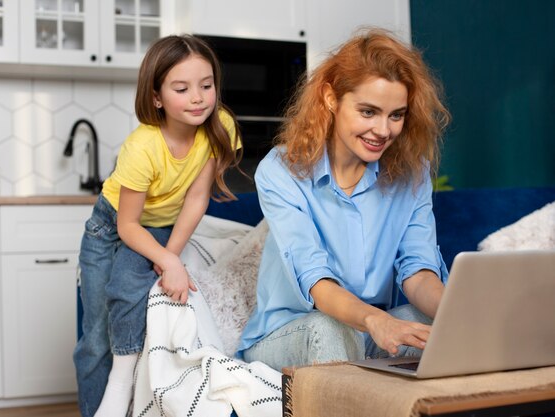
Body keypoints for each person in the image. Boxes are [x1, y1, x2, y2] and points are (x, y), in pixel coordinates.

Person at [237, 29, 451, 371]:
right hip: (293, 332)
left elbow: (418, 271)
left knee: (427, 321)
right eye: (368, 112)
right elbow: (317, 283)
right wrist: (374, 320)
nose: (383, 130)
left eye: (396, 115)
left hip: (369, 329)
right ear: (330, 98)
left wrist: (464, 316)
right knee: (331, 329)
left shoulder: (413, 173)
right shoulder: (281, 171)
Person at [73, 34, 242, 417]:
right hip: (111, 227)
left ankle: (126, 390)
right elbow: (127, 224)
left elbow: (197, 199)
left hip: (162, 226)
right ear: (156, 97)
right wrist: (169, 263)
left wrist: (172, 256)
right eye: (182, 89)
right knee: (95, 339)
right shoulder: (142, 146)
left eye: (207, 85)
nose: (198, 98)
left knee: (128, 284)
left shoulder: (221, 127)